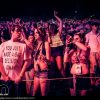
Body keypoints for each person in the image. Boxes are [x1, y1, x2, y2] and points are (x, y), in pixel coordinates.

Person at [0, 24, 31, 96]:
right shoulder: (3, 45)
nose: (19, 33)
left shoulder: (23, 46)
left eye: (20, 31)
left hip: (18, 80)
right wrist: (4, 76)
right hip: (5, 79)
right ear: (12, 31)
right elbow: (0, 61)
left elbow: (27, 61)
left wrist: (20, 76)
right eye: (17, 31)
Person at [33, 28, 51, 96]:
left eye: (37, 32)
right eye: (34, 32)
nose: (35, 34)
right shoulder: (37, 44)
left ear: (42, 34)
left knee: (43, 94)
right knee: (34, 92)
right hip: (36, 72)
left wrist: (45, 58)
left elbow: (49, 60)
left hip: (43, 72)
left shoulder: (46, 43)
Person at [85, 22, 100, 86]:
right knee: (94, 66)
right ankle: (94, 81)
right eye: (96, 26)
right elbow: (86, 44)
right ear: (92, 26)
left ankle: (95, 81)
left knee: (98, 66)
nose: (97, 27)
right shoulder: (88, 35)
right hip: (92, 53)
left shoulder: (99, 34)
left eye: (98, 26)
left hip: (99, 52)